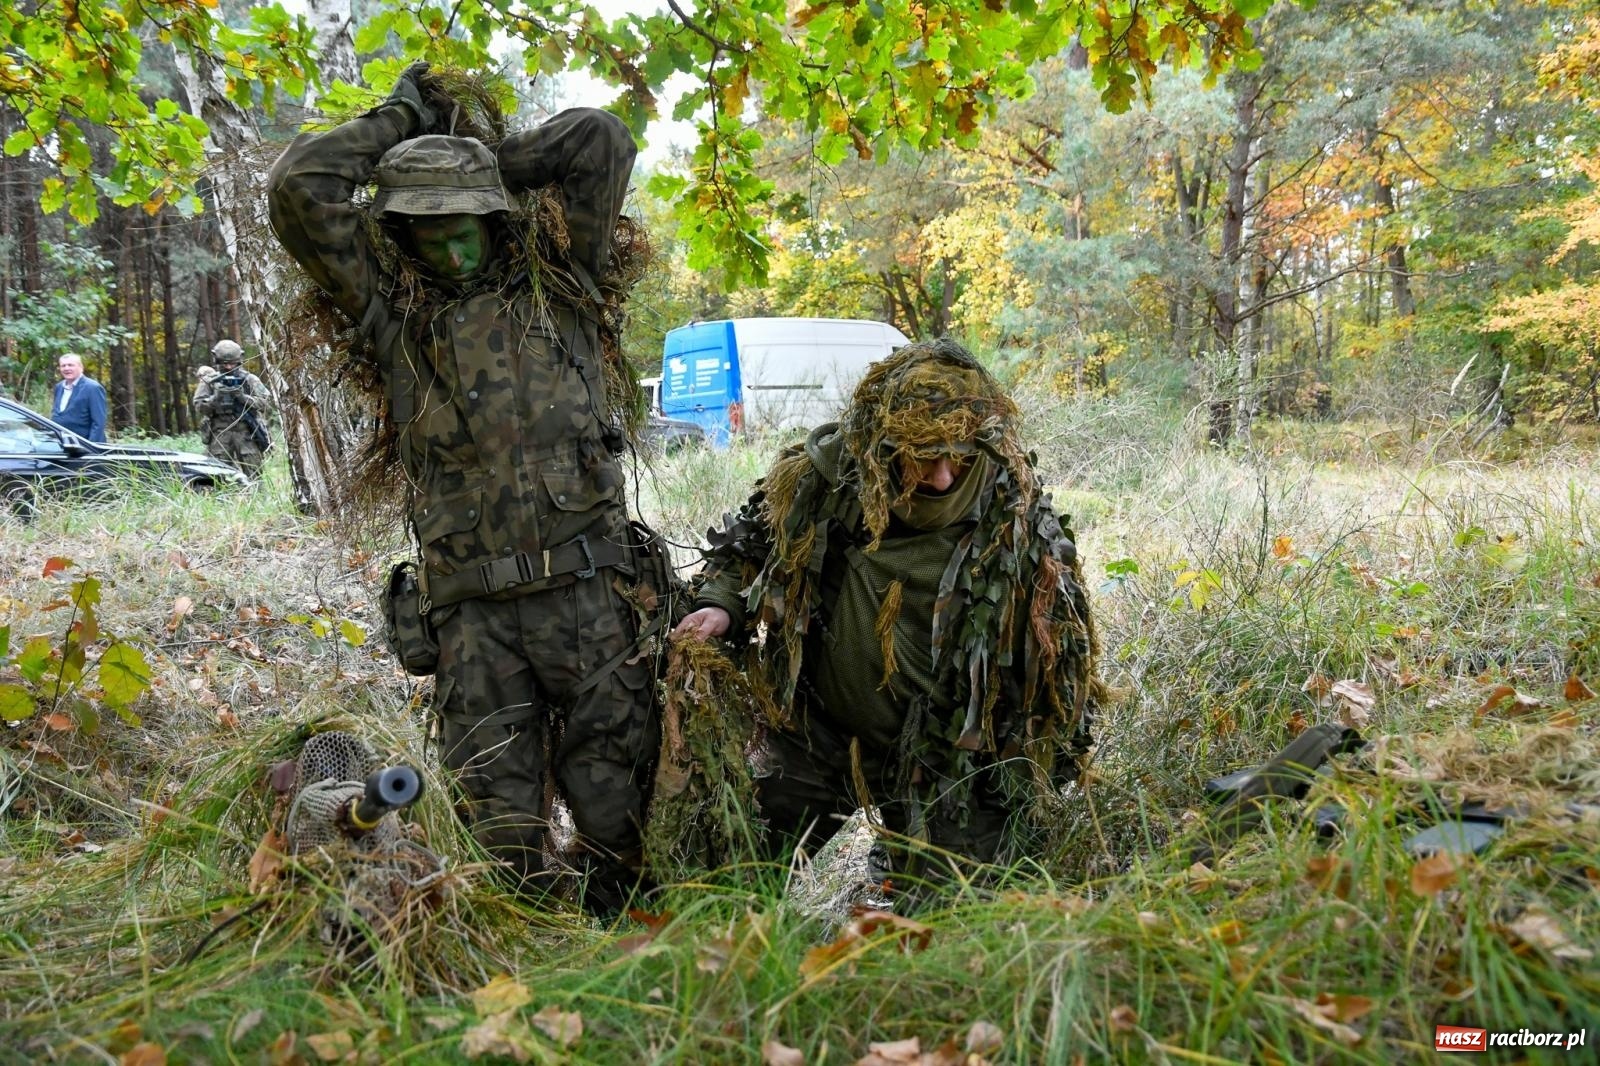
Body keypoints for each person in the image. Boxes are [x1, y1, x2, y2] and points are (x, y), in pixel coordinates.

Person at [267, 63, 656, 915]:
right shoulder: (396, 322)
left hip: (592, 608)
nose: (450, 248)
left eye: (465, 225)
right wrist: (404, 123)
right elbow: (302, 184)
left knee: (617, 841)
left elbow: (601, 138)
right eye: (425, 233)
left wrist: (473, 162)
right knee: (502, 852)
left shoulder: (567, 289)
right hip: (473, 630)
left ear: (497, 219)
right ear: (399, 242)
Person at [673, 338, 1101, 889]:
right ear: (881, 442)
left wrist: (1026, 774)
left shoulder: (1015, 522)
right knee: (724, 878)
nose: (942, 477)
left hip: (946, 763)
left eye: (958, 456)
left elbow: (1062, 671)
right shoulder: (827, 479)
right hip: (817, 731)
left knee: (965, 918)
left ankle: (897, 867)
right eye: (921, 456)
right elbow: (752, 545)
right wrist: (721, 606)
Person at [192, 340, 271, 477]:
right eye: (224, 363)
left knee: (254, 473)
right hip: (220, 432)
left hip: (246, 432)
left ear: (239, 361)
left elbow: (264, 403)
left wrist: (243, 397)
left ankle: (256, 497)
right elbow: (199, 406)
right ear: (217, 360)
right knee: (217, 474)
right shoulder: (209, 381)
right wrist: (215, 399)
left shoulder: (249, 379)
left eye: (232, 363)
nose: (228, 367)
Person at [52, 353, 108, 442]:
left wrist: (91, 448)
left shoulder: (93, 388)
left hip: (84, 447)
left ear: (80, 367)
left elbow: (98, 423)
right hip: (62, 445)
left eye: (70, 365)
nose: (66, 368)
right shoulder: (59, 387)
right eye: (63, 366)